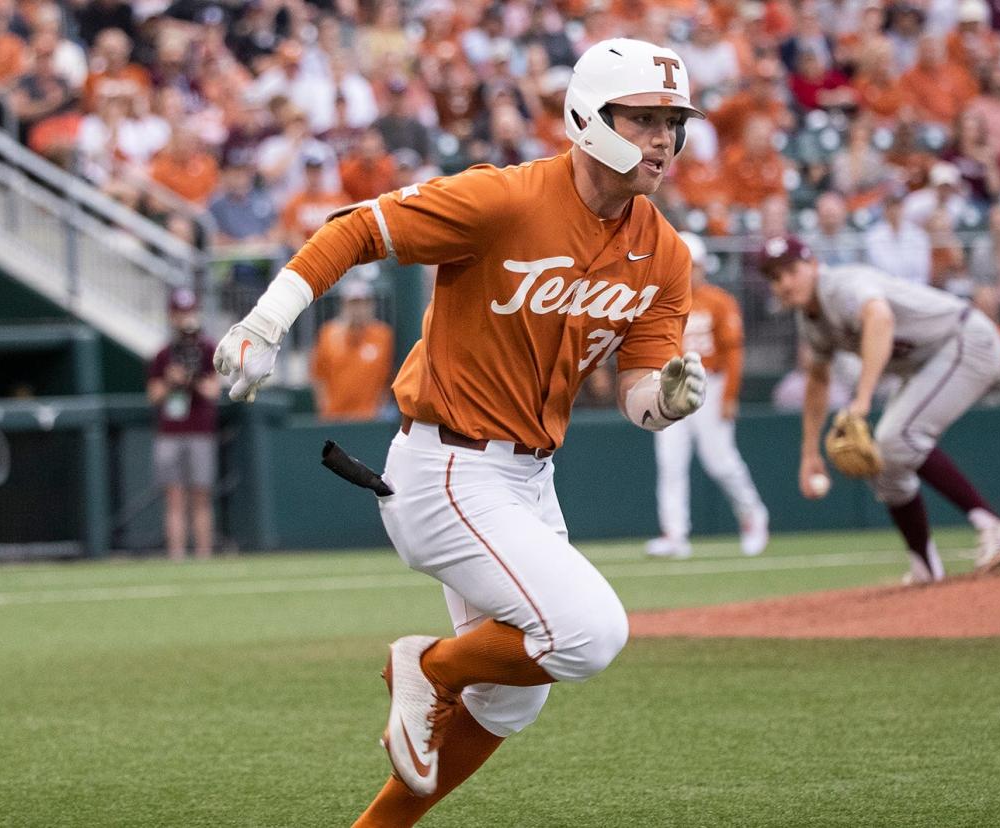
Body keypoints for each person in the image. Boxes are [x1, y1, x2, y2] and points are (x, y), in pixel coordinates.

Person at [211, 38, 707, 827]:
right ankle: (427, 666)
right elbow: (358, 228)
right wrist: (265, 323)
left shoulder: (664, 252)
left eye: (672, 121)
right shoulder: (504, 199)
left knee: (513, 704)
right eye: (643, 117)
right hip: (447, 468)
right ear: (588, 117)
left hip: (527, 480)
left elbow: (641, 396)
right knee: (588, 633)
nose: (662, 138)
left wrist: (670, 399)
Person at [758, 235, 1000, 585]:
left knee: (896, 437)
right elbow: (818, 381)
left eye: (791, 271)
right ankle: (924, 565)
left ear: (812, 264)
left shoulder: (841, 286)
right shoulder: (811, 320)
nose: (784, 283)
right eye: (774, 277)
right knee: (886, 465)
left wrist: (862, 399)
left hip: (966, 341)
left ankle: (995, 527)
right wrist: (809, 452)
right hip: (929, 361)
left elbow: (879, 317)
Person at [646, 232, 768, 560]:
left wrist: (729, 395)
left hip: (708, 384)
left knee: (721, 462)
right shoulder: (662, 302)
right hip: (671, 386)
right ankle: (674, 533)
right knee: (670, 462)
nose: (687, 273)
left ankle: (752, 515)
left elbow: (733, 352)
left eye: (692, 266)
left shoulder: (718, 300)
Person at [146, 289, 219, 561]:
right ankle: (176, 556)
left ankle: (203, 555)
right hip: (171, 432)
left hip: (200, 431)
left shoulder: (208, 349)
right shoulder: (163, 355)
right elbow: (153, 394)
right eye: (180, 313)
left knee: (201, 496)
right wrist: (170, 380)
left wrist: (190, 379)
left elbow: (213, 390)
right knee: (174, 497)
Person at [310, 279, 395, 421]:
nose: (358, 310)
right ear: (343, 306)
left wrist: (379, 407)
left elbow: (388, 376)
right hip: (335, 417)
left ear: (371, 305)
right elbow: (318, 376)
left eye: (363, 303)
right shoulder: (328, 334)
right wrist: (325, 410)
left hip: (370, 417)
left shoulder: (383, 335)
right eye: (353, 304)